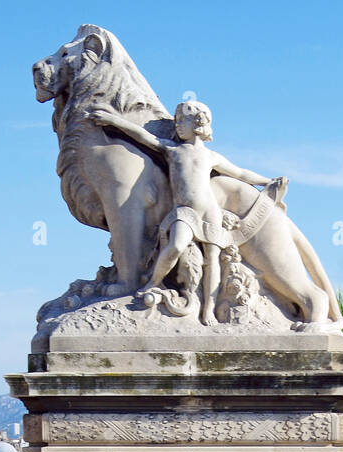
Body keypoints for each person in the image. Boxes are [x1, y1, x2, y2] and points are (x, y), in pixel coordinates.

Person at [87, 100, 287, 325]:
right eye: (177, 120)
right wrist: (113, 120)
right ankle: (152, 283)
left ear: (199, 122)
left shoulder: (211, 156)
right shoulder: (171, 149)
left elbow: (240, 173)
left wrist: (267, 181)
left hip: (210, 212)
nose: (178, 124)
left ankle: (208, 311)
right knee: (176, 246)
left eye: (183, 120)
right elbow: (142, 136)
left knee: (212, 260)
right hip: (184, 211)